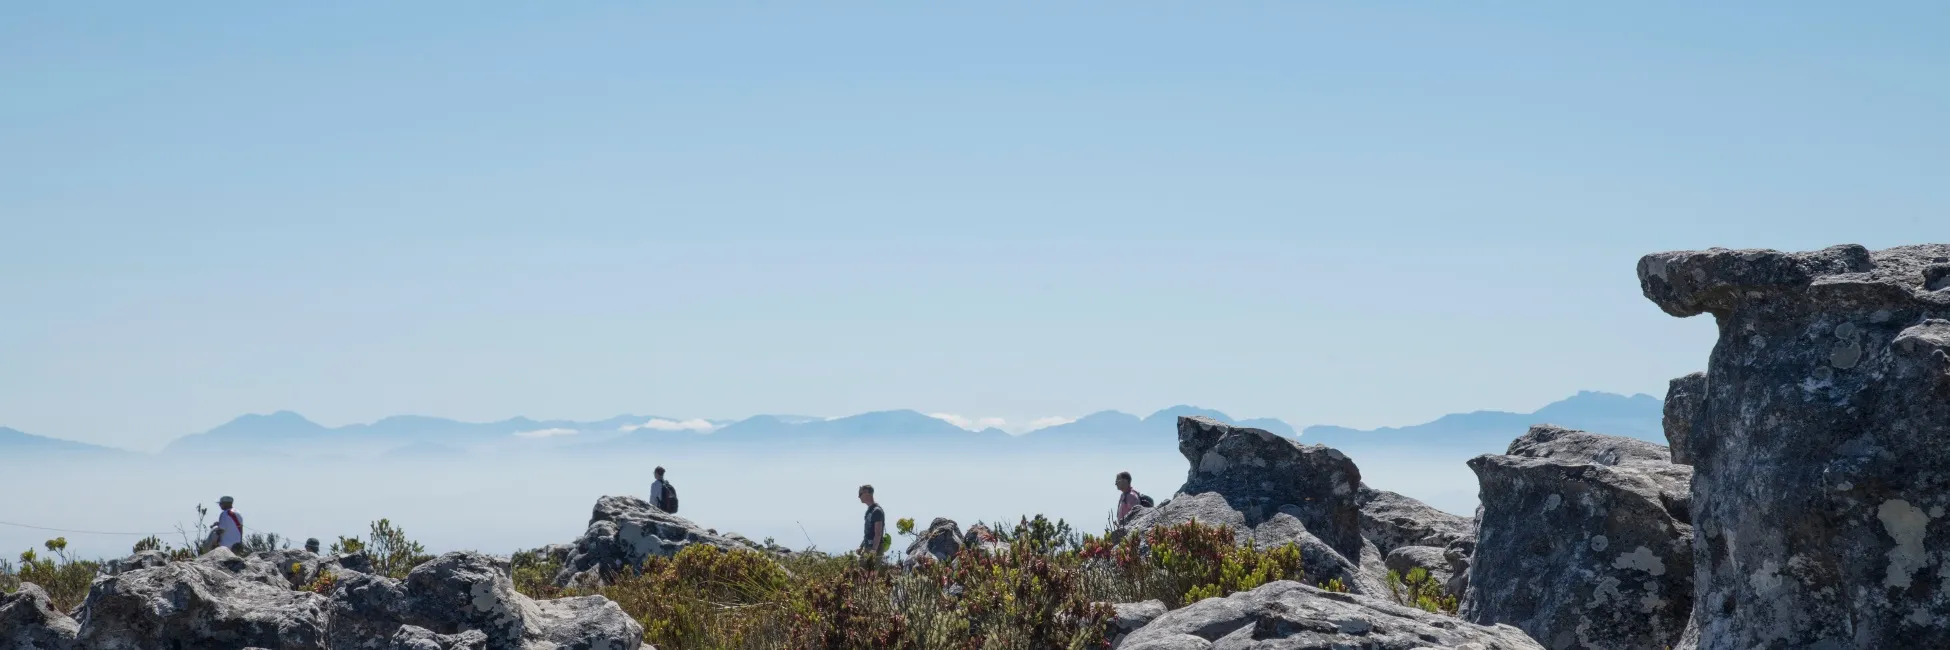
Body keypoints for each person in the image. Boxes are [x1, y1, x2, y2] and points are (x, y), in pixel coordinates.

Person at [857, 484, 885, 565]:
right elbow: (868, 531)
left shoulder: (877, 511)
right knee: (862, 571)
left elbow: (878, 533)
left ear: (867, 493)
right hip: (868, 546)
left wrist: (874, 550)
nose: (859, 497)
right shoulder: (869, 511)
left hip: (875, 548)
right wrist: (861, 546)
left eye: (860, 494)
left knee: (871, 574)